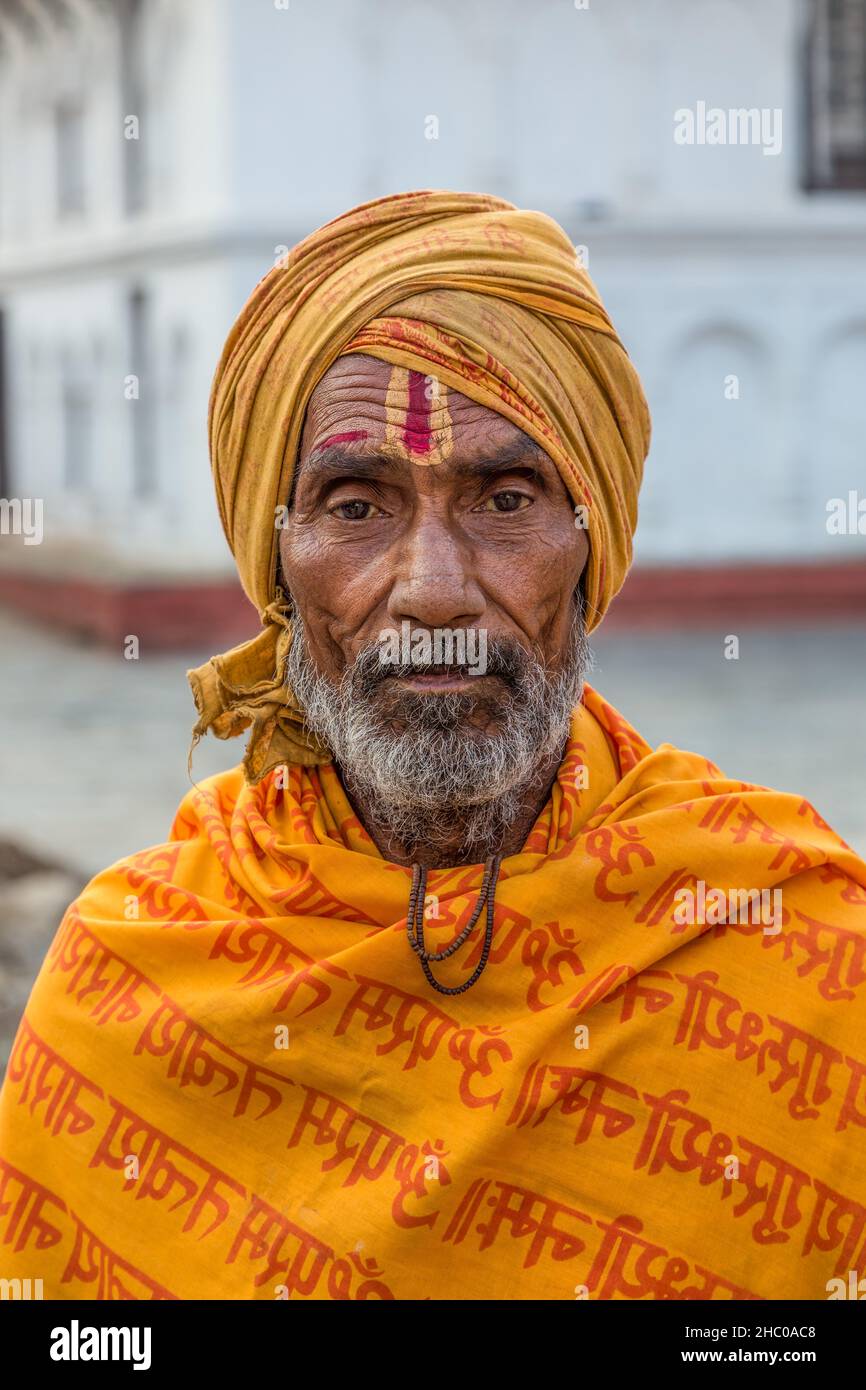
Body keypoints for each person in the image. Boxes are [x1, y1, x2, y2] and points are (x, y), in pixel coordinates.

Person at [1, 190, 864, 1301]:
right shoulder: (127, 985)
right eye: (355, 506)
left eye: (504, 499)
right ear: (277, 568)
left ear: (589, 549)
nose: (433, 590)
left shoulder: (801, 957)